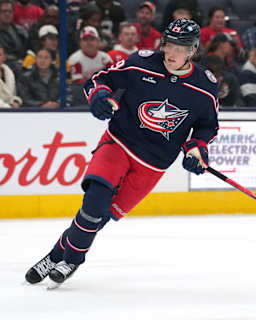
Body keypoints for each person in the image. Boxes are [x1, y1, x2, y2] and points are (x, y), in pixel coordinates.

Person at [25, 18, 219, 286]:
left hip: (153, 164)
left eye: (179, 47)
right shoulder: (141, 61)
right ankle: (72, 260)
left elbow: (207, 127)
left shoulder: (205, 87)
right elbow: (99, 79)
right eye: (168, 45)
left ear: (193, 50)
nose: (171, 53)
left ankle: (56, 253)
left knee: (101, 216)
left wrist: (196, 149)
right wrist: (99, 97)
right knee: (94, 202)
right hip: (119, 142)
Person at [0, 0, 29, 68]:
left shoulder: (21, 31)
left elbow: (27, 50)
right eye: (4, 11)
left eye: (10, 11)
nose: (7, 14)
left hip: (22, 65)